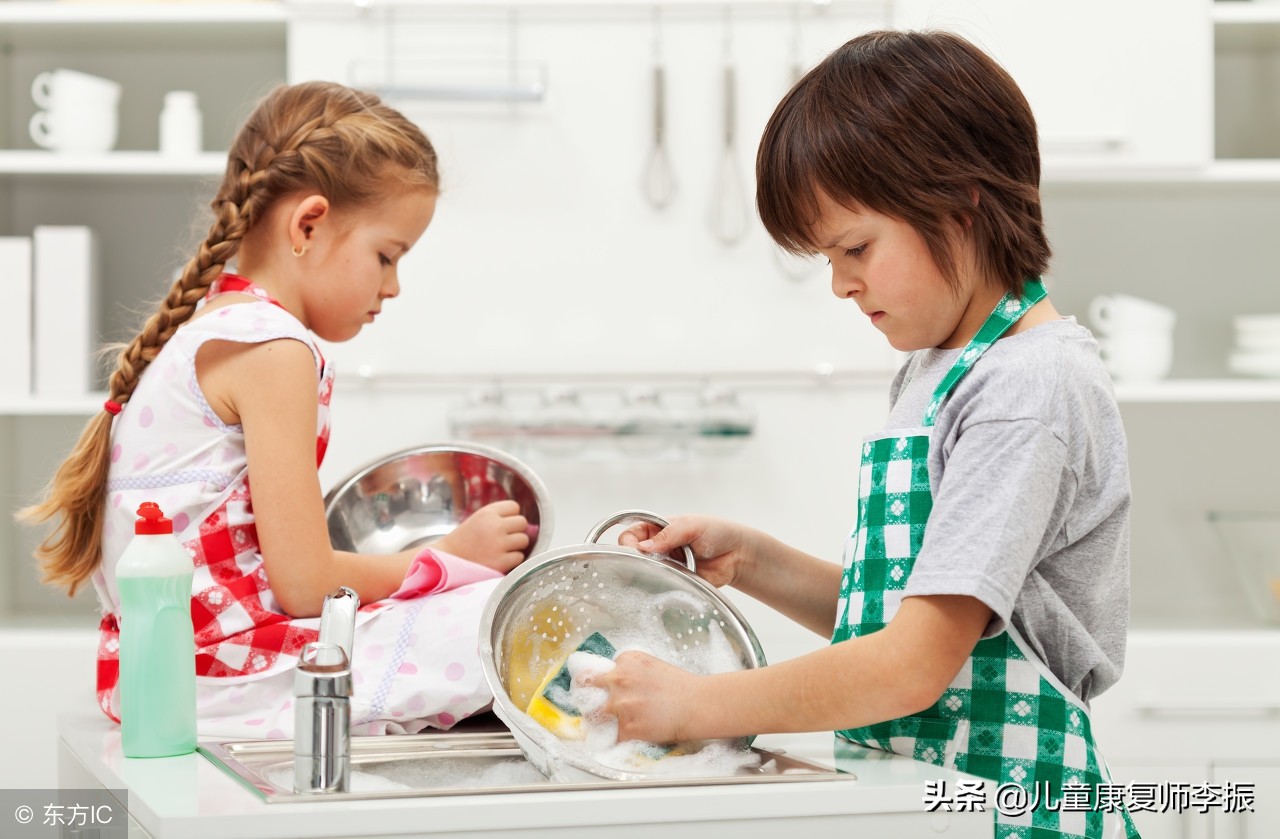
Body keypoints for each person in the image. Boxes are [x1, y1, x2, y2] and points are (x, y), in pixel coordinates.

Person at [592, 30, 1139, 839]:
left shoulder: (1027, 388)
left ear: (960, 202)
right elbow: (914, 621)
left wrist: (695, 705)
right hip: (932, 801)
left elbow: (913, 665)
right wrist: (753, 560)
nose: (842, 283)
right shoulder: (940, 370)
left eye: (854, 247)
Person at [19, 81, 531, 738]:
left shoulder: (213, 325)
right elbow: (304, 584)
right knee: (501, 611)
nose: (393, 287)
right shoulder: (274, 349)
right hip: (231, 681)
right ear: (309, 223)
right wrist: (450, 557)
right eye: (387, 255)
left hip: (168, 672)